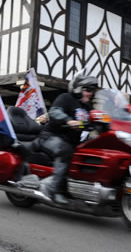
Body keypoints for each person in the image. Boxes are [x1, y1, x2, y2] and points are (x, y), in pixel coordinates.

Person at [39, 71, 98, 204]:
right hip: (50, 137)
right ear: (78, 89)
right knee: (66, 152)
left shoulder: (87, 105)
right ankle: (53, 190)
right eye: (88, 90)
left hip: (72, 142)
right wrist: (68, 120)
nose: (90, 93)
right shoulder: (65, 98)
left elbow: (94, 118)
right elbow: (54, 111)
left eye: (92, 90)